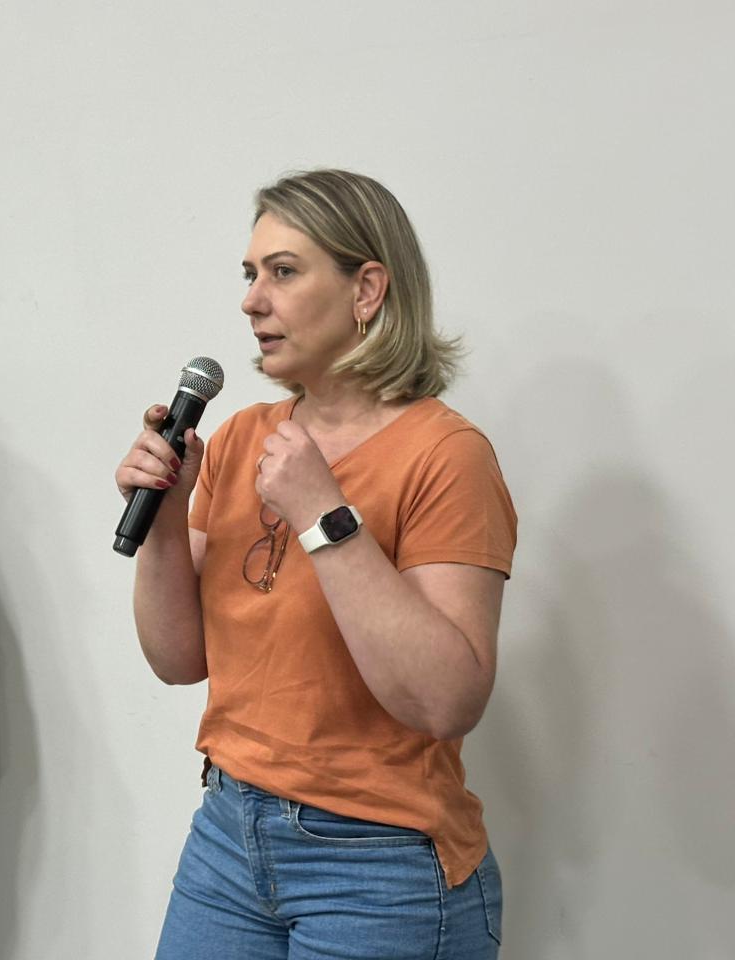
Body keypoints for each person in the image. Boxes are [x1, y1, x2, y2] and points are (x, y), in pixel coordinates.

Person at [115, 169, 517, 960]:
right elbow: (177, 660)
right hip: (228, 837)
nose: (251, 300)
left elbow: (446, 700)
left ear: (367, 289)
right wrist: (164, 518)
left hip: (379, 863)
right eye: (250, 274)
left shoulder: (446, 455)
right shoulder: (242, 437)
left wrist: (324, 516)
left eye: (284, 271)